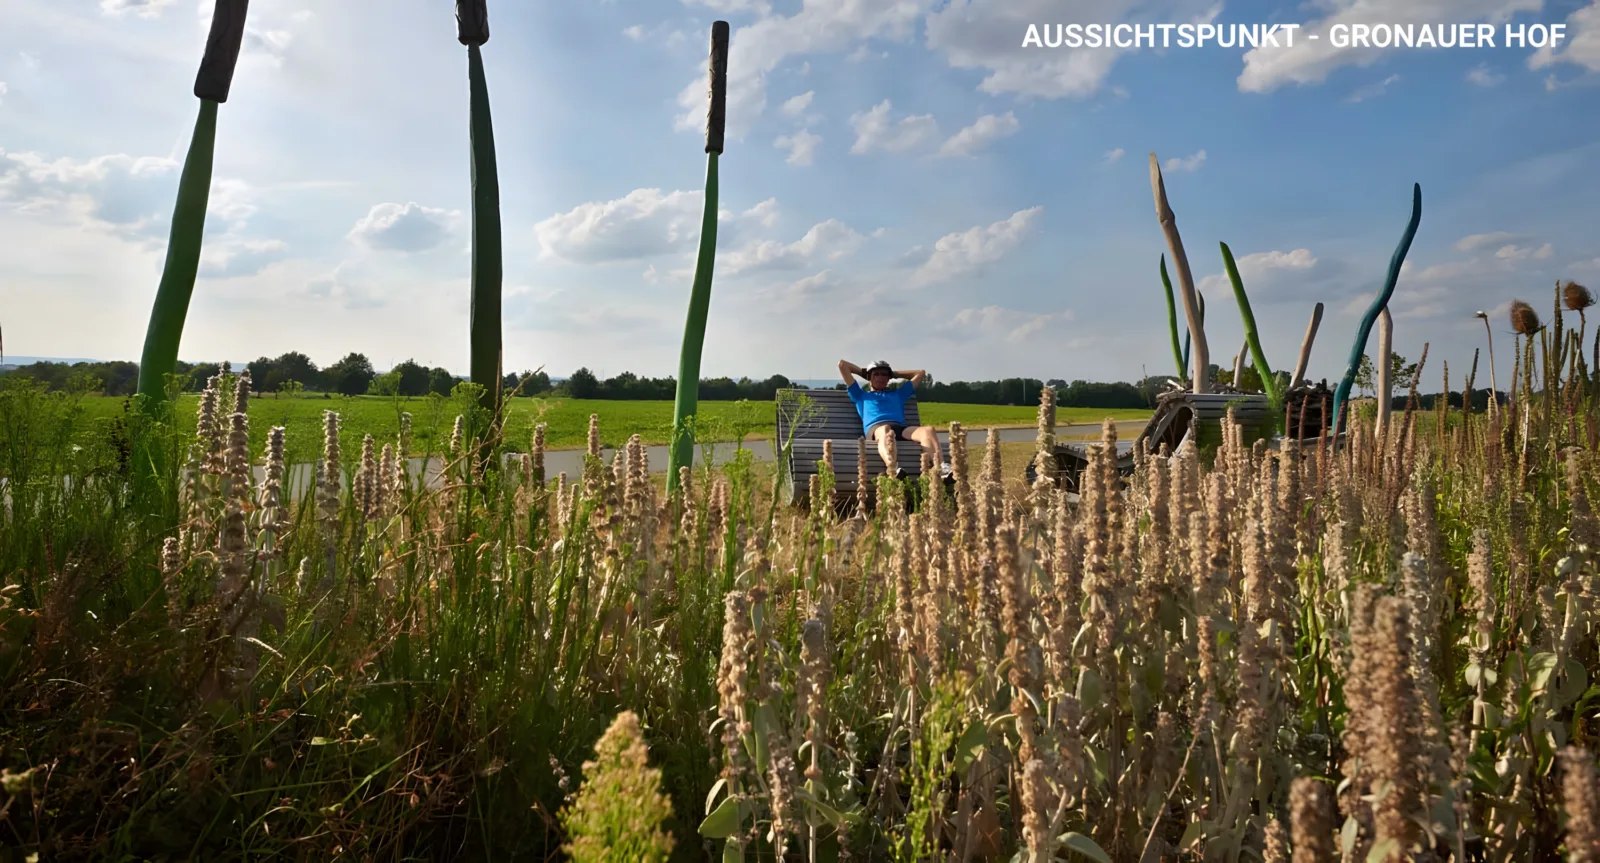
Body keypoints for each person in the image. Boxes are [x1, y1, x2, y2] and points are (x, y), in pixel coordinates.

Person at [837, 359, 945, 477]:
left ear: (889, 378)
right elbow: (843, 365)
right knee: (886, 429)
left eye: (884, 374)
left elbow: (920, 373)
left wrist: (895, 374)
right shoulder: (860, 395)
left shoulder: (898, 394)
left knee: (927, 430)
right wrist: (864, 372)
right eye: (876, 374)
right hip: (876, 429)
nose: (880, 377)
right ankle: (892, 468)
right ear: (869, 377)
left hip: (900, 428)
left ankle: (939, 468)